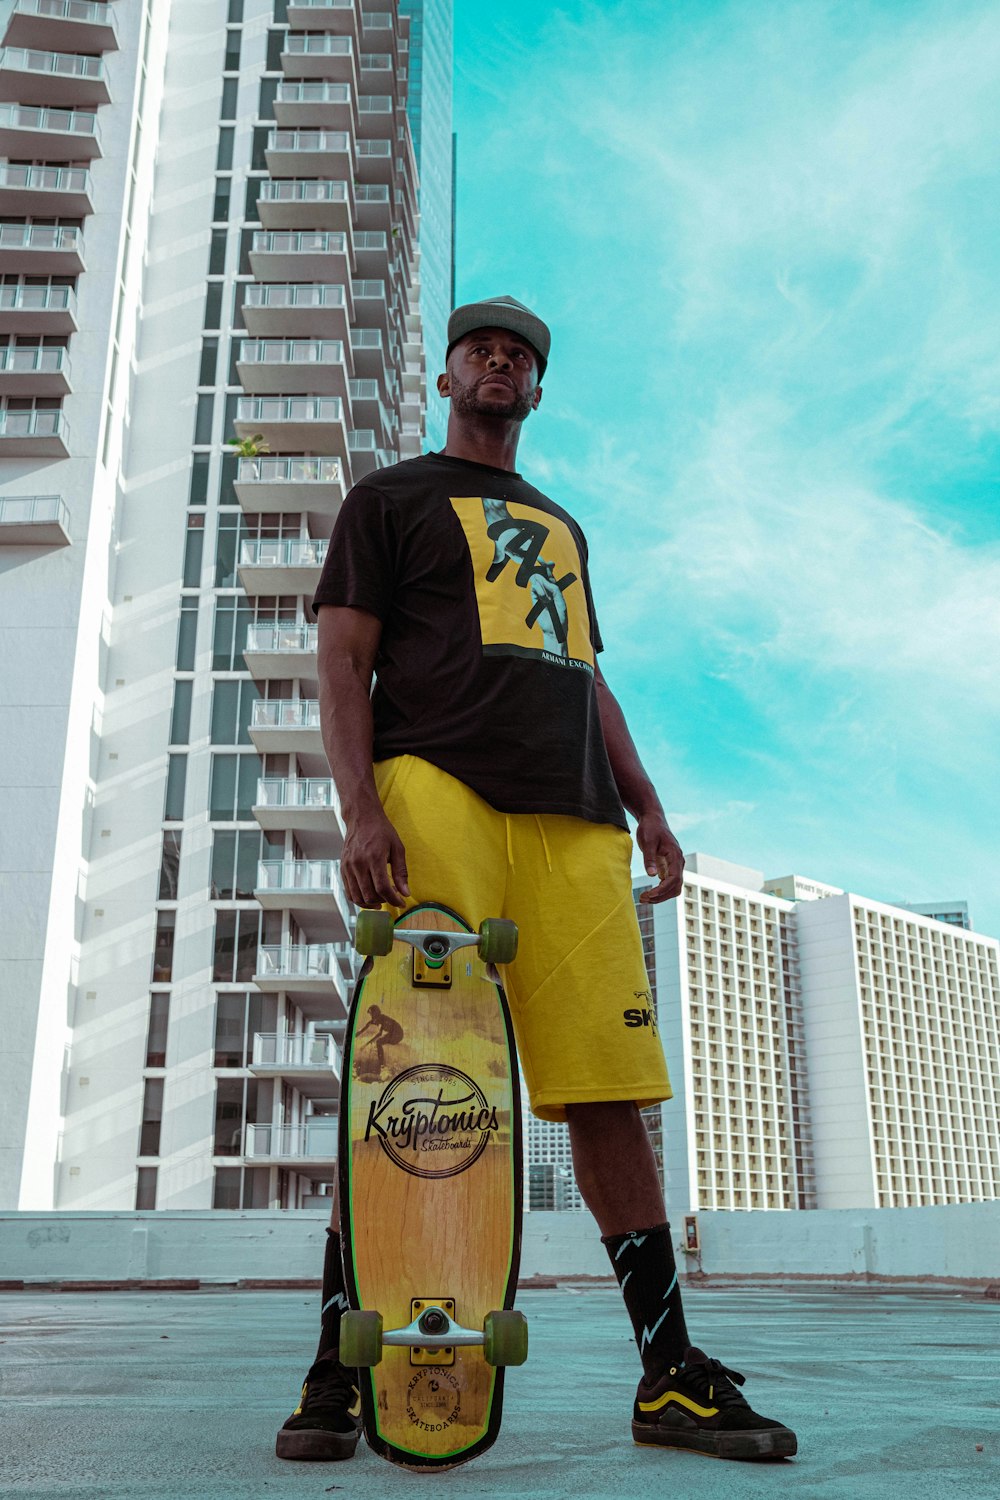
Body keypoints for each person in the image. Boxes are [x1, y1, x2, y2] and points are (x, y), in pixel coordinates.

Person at [275, 295, 797, 1463]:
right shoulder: (391, 498)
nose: (500, 362)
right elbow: (342, 657)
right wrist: (359, 809)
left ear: (537, 390)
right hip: (435, 793)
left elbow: (586, 674)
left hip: (574, 819)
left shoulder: (560, 526)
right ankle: (335, 1366)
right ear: (450, 375)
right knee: (406, 1074)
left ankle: (668, 1377)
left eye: (520, 355)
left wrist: (649, 802)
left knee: (612, 1091)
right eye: (481, 349)